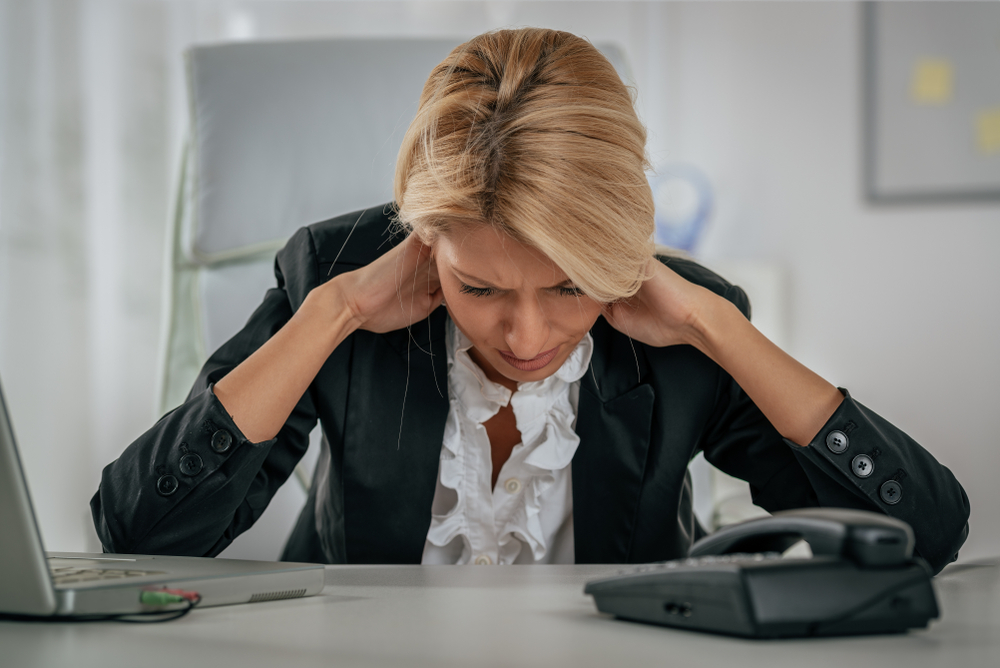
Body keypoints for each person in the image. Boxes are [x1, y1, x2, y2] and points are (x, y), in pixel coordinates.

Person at [91, 28, 969, 573]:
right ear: (427, 240)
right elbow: (139, 534)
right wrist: (333, 317)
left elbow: (923, 533)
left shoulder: (688, 321)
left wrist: (715, 326)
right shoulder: (338, 275)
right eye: (479, 288)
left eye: (571, 286)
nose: (527, 332)